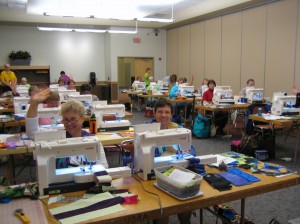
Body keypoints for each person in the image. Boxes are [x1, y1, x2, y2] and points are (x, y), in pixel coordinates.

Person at [26, 88, 108, 168]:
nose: (69, 123)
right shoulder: (57, 136)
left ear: (82, 118)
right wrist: (34, 103)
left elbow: (104, 167)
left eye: (73, 119)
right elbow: (32, 133)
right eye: (65, 119)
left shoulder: (93, 141)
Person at [152, 98, 192, 224]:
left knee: (187, 201)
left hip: (178, 170)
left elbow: (191, 150)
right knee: (163, 208)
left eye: (167, 112)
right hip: (156, 174)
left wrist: (187, 152)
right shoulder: (147, 130)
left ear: (171, 114)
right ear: (154, 113)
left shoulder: (179, 128)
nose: (163, 115)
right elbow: (145, 156)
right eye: (160, 112)